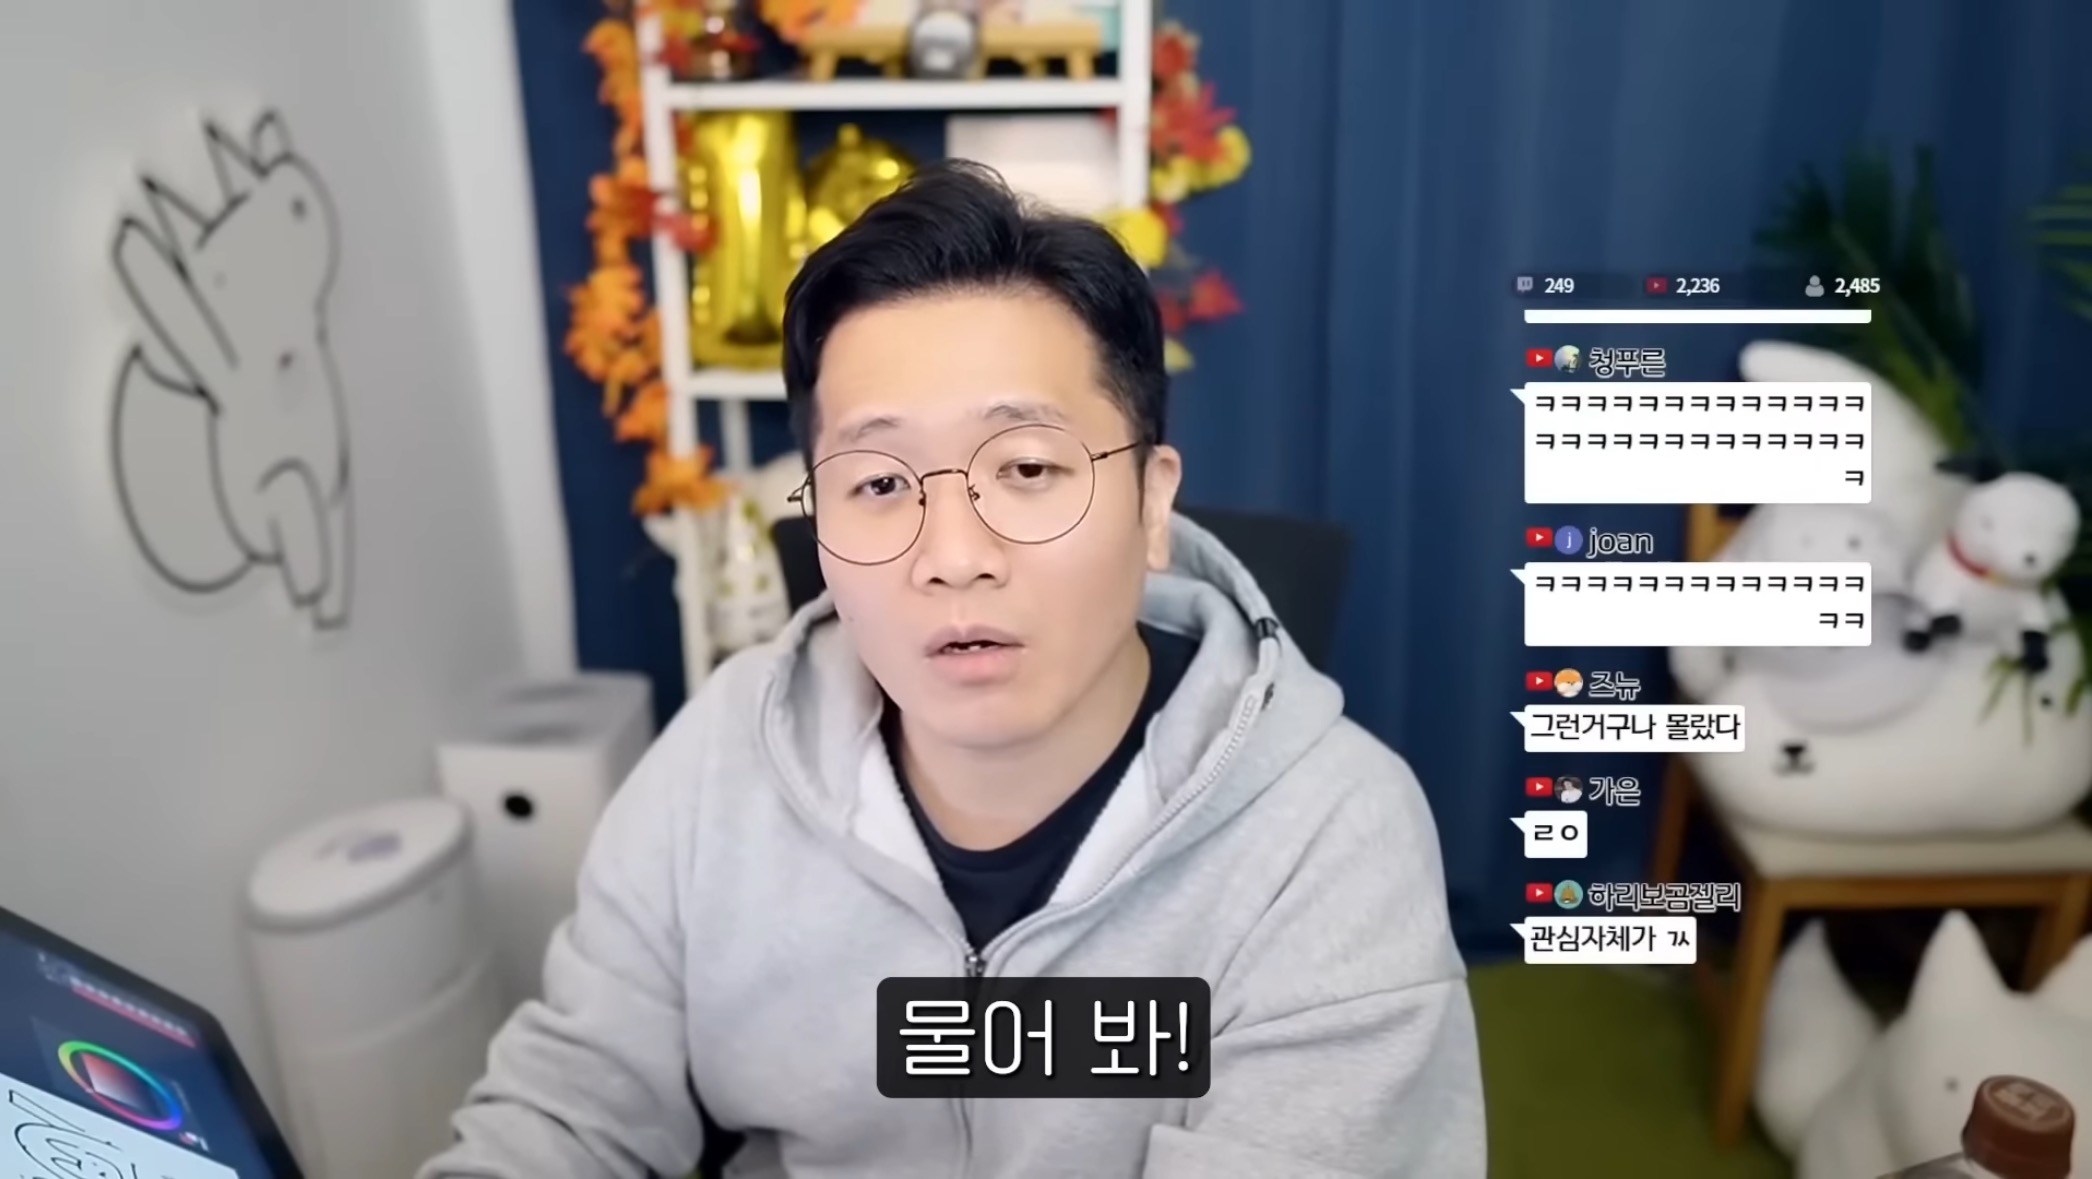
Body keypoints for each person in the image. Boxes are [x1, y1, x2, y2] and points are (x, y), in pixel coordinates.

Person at [419, 161, 1484, 1178]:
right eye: (880, 484)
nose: (954, 555)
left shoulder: (1326, 837)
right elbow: (571, 1103)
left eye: (1026, 467)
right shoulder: (721, 757)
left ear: (1153, 503)